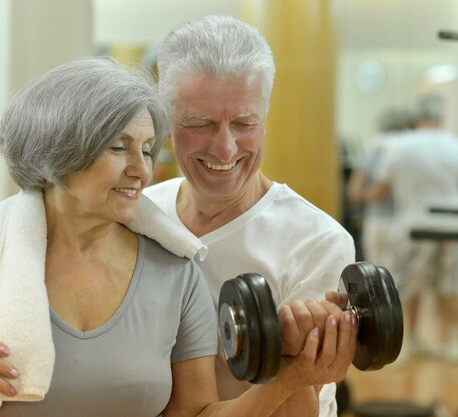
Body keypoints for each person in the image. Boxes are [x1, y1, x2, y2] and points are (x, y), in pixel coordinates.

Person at [0, 57, 356, 417]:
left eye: (148, 149)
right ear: (59, 153)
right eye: (119, 149)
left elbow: (197, 415)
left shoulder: (176, 273)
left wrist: (291, 379)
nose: (143, 170)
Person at [143, 15, 357, 417]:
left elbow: (297, 406)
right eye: (200, 123)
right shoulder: (139, 215)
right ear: (166, 121)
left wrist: (299, 364)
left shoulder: (318, 241)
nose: (225, 149)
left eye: (244, 123)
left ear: (264, 116)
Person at [369, 93, 458, 364]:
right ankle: (454, 342)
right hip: (455, 223)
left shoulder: (400, 146)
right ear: (441, 117)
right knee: (454, 282)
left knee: (403, 284)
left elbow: (382, 187)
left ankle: (402, 346)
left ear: (417, 117)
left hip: (414, 222)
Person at [347, 107, 413, 264]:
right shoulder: (410, 149)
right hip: (404, 221)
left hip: (376, 221)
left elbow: (354, 192)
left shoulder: (372, 149)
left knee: (375, 276)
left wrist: (370, 195)